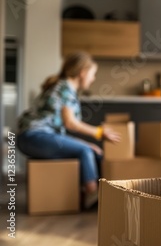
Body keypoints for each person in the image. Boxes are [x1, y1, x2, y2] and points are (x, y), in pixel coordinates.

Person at [17, 51, 120, 208]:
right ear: (82, 73)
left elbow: (60, 132)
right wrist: (99, 132)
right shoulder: (65, 89)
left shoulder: (64, 88)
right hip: (34, 137)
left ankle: (98, 193)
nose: (93, 79)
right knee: (85, 151)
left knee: (90, 150)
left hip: (34, 138)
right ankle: (93, 196)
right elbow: (71, 123)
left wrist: (85, 143)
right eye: (93, 74)